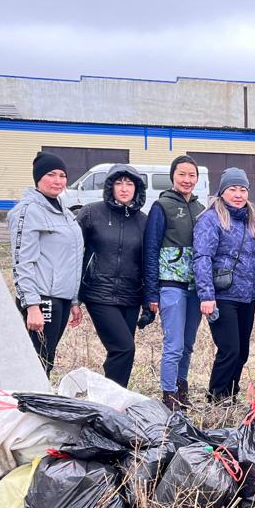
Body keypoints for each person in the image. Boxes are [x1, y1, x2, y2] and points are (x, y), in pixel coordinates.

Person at [76, 164, 152, 388]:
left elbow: (148, 262)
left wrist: (149, 300)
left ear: (138, 189)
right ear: (110, 186)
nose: (124, 188)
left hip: (131, 295)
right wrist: (75, 298)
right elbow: (73, 255)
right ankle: (111, 398)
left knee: (121, 351)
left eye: (130, 184)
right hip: (99, 293)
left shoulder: (144, 221)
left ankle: (113, 396)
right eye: (119, 183)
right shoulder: (90, 213)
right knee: (124, 348)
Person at [194, 167, 255, 403]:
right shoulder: (210, 218)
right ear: (222, 192)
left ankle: (230, 397)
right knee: (230, 349)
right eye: (233, 189)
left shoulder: (251, 219)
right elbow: (202, 256)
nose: (238, 194)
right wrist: (206, 295)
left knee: (242, 352)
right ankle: (215, 398)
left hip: (247, 295)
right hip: (222, 295)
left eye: (243, 189)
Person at [9, 151, 83, 375]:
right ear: (38, 178)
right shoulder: (28, 211)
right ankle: (27, 404)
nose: (58, 180)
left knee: (47, 357)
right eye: (51, 174)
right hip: (42, 298)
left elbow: (70, 259)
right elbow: (22, 262)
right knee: (38, 360)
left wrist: (73, 300)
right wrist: (32, 306)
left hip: (61, 298)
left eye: (62, 175)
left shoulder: (64, 213)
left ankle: (39, 402)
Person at [144, 156, 205, 410]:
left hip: (195, 287)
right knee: (174, 344)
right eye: (182, 174)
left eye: (192, 175)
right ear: (173, 177)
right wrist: (151, 293)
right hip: (170, 284)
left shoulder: (202, 209)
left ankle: (182, 389)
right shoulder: (162, 206)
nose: (187, 180)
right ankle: (168, 395)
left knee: (188, 343)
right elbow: (150, 249)